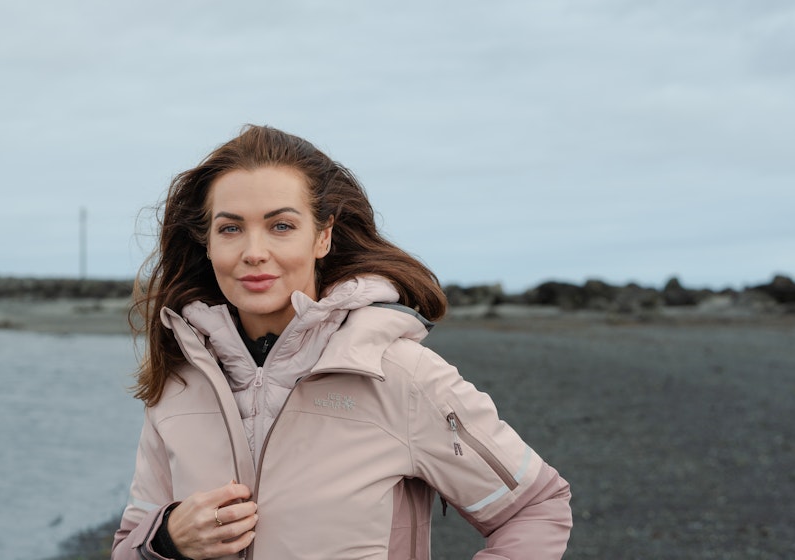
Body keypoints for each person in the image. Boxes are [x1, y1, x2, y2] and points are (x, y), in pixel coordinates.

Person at [113, 125, 572, 559]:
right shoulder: (179, 384)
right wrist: (168, 537)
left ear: (323, 236)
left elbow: (534, 507)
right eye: (230, 228)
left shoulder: (401, 374)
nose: (253, 251)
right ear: (207, 244)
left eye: (281, 226)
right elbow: (127, 544)